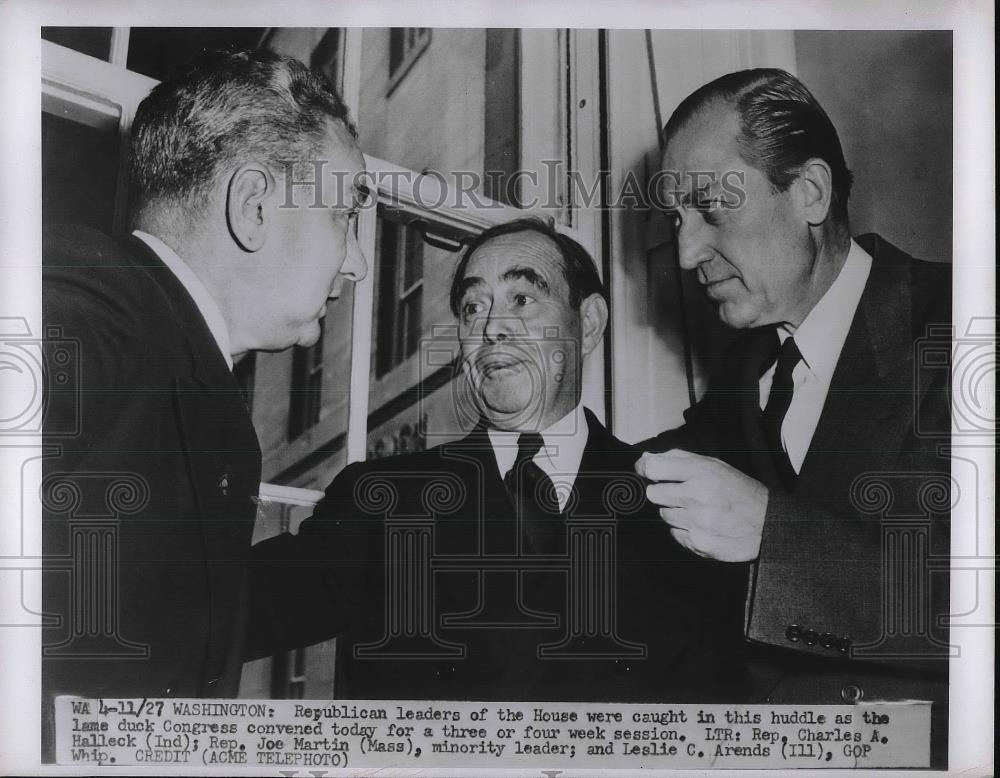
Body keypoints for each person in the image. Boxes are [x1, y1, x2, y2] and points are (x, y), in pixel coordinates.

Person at [251, 217, 739, 702]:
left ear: (587, 325)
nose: (491, 327)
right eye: (472, 307)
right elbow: (224, 607)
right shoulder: (381, 500)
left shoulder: (678, 499)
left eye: (521, 299)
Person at [41, 49, 367, 752]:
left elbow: (151, 612)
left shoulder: (177, 361)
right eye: (344, 215)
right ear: (253, 208)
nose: (357, 263)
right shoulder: (87, 308)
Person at [638, 68, 951, 758]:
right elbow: (635, 475)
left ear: (809, 193)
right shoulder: (744, 375)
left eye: (712, 210)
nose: (687, 253)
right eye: (677, 221)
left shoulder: (963, 324)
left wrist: (773, 534)